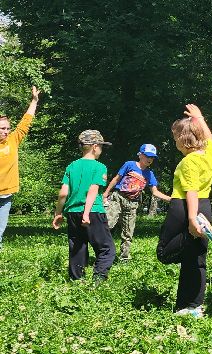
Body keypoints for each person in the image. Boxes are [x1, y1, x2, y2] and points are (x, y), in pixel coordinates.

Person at [156, 103, 212, 318]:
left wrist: (192, 219)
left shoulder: (188, 161)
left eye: (175, 137)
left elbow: (191, 190)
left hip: (184, 207)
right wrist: (200, 118)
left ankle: (192, 235)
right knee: (195, 259)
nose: (174, 141)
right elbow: (209, 138)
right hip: (205, 207)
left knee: (164, 252)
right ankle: (192, 306)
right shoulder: (208, 155)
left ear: (183, 140)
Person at [52, 129, 116, 282]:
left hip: (72, 212)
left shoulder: (71, 166)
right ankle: (98, 280)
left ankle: (76, 281)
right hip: (93, 211)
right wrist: (86, 213)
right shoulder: (99, 167)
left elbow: (63, 193)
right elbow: (93, 190)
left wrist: (58, 213)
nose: (101, 150)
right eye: (101, 146)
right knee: (106, 248)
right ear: (95, 146)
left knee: (77, 248)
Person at [103, 145, 171, 261]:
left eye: (152, 157)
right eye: (147, 156)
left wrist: (170, 199)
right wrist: (105, 193)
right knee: (108, 224)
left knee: (128, 232)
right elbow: (116, 179)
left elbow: (155, 192)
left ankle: (124, 257)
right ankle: (103, 252)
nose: (150, 159)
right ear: (140, 155)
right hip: (118, 198)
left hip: (132, 204)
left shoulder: (149, 174)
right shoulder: (129, 164)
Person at [0, 86, 40, 248]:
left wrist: (34, 101)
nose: (6, 131)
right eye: (3, 128)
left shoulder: (13, 140)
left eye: (8, 128)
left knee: (0, 231)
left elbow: (25, 122)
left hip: (6, 196)